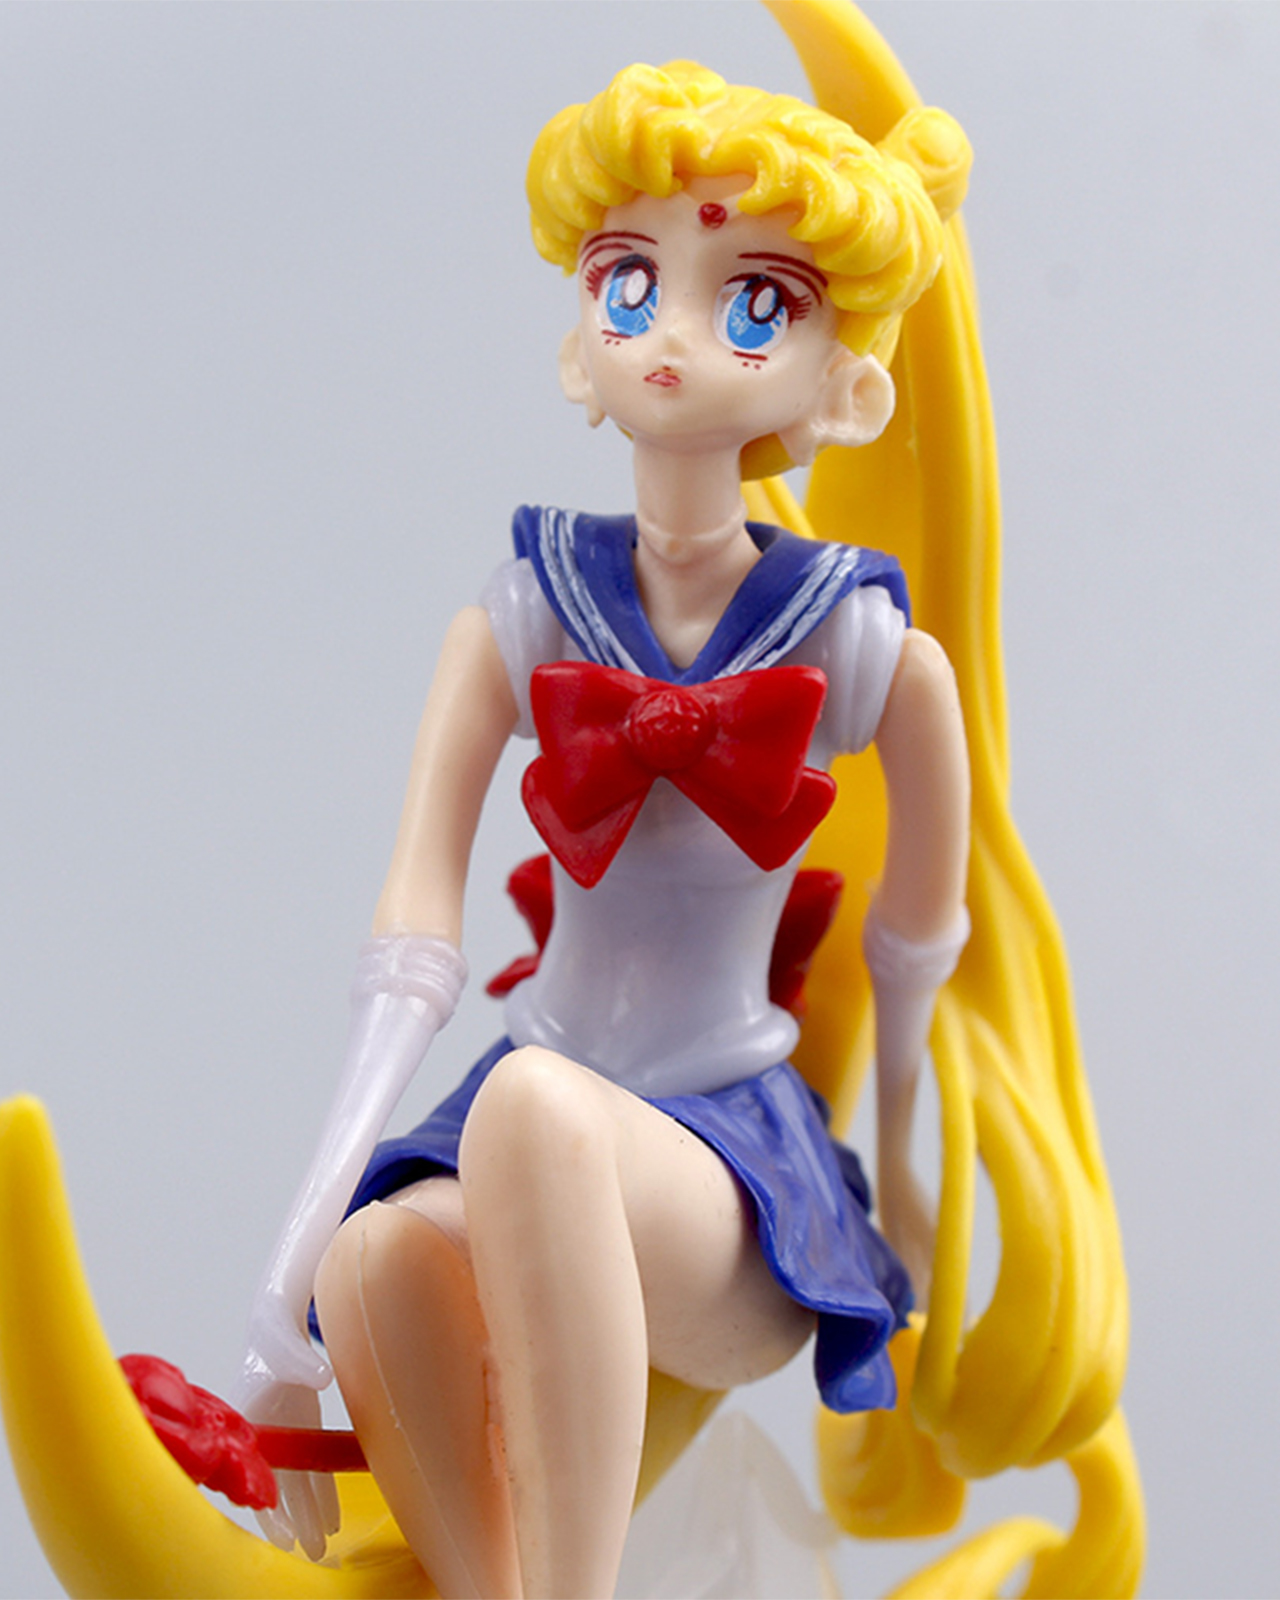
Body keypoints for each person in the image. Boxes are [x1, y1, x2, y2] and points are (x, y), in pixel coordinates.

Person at [234, 16, 1140, 1600]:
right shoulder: (516, 618)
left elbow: (918, 949)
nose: (670, 335)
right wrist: (279, 1293)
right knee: (376, 1257)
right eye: (628, 283)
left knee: (534, 1113)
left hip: (730, 1179)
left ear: (849, 384)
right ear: (576, 347)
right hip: (522, 1112)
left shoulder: (867, 651)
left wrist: (906, 1192)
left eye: (756, 301)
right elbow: (410, 952)